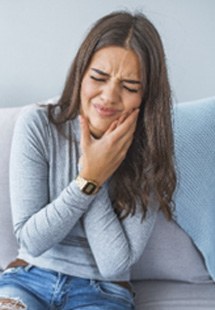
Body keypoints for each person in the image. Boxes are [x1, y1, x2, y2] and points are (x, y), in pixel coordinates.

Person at [0, 10, 176, 310]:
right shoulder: (38, 124)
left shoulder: (149, 148)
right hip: (29, 277)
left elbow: (114, 264)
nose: (108, 96)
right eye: (98, 77)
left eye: (130, 87)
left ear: (145, 96)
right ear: (81, 73)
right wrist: (88, 179)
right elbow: (32, 241)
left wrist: (99, 171)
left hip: (104, 291)